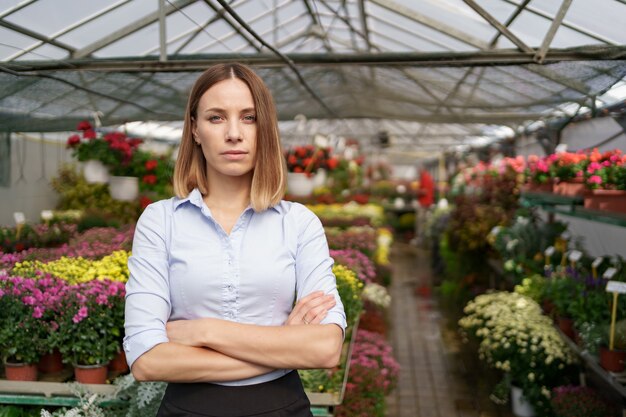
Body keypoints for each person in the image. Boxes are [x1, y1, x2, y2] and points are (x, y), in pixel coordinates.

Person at [123, 63, 346, 417]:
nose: (233, 133)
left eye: (248, 117)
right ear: (194, 129)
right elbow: (147, 359)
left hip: (281, 408)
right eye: (215, 118)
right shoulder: (160, 221)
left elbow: (325, 349)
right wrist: (284, 347)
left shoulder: (299, 223)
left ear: (265, 129)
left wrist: (203, 330)